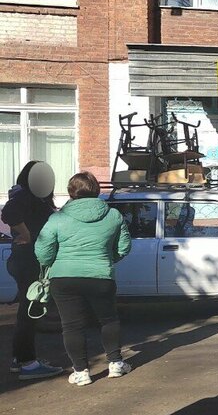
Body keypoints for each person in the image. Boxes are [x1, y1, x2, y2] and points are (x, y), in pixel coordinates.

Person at [35, 172, 132, 386]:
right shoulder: (113, 215)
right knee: (108, 320)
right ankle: (116, 363)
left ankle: (81, 372)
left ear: (71, 192)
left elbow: (43, 250)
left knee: (71, 326)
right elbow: (124, 246)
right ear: (97, 190)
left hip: (64, 278)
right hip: (101, 275)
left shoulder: (58, 218)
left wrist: (53, 262)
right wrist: (107, 259)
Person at [2, 161, 63, 380]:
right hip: (28, 261)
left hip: (26, 260)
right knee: (30, 311)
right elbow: (9, 214)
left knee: (26, 312)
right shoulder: (25, 196)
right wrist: (26, 234)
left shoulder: (30, 197)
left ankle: (20, 359)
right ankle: (28, 363)